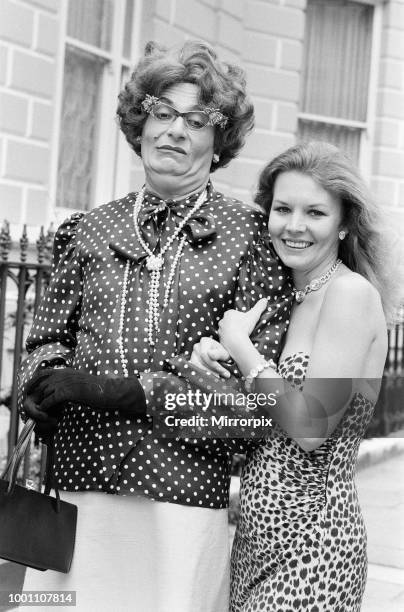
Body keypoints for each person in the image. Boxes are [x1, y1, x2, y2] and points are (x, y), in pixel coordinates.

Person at [18, 41, 293, 611]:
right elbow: (42, 342)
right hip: (80, 484)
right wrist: (40, 387)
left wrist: (118, 392)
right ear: (139, 123)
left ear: (219, 141)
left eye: (197, 121)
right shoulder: (87, 230)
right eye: (162, 113)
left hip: (183, 493)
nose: (174, 131)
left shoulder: (252, 240)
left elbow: (254, 409)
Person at [162, 142, 402, 611]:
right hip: (253, 544)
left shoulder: (349, 295)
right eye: (283, 208)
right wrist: (213, 366)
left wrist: (243, 350)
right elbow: (255, 421)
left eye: (315, 212)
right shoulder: (280, 302)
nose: (294, 226)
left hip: (315, 549)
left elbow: (311, 426)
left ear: (344, 222)